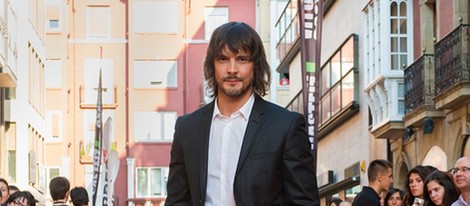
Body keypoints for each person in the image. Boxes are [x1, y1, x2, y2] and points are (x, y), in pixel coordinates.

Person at [165, 21, 320, 205]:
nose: (232, 69)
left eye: (242, 59)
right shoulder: (187, 129)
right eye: (223, 59)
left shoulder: (285, 126)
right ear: (212, 66)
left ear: (256, 66)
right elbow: (177, 201)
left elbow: (304, 203)